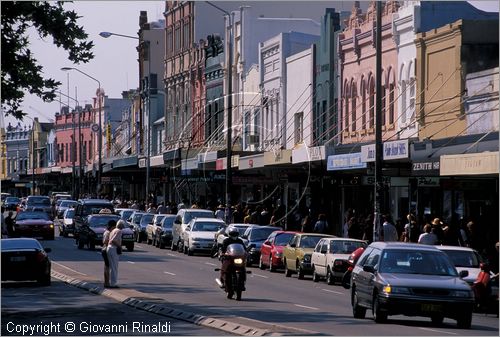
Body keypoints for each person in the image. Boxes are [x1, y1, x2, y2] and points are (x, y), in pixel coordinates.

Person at [106, 220, 124, 288]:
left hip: (109, 248)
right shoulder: (119, 231)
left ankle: (111, 282)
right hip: (113, 249)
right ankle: (113, 283)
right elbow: (113, 240)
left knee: (112, 266)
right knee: (114, 267)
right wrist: (119, 246)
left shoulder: (113, 230)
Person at [102, 220, 116, 287]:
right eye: (114, 227)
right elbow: (105, 241)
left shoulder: (108, 232)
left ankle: (106, 282)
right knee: (107, 267)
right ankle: (106, 282)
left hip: (105, 249)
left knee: (107, 266)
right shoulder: (107, 233)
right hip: (105, 249)